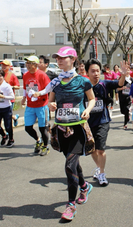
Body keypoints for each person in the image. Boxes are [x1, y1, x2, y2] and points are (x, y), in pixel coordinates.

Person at [47, 46, 96, 221]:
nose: (60, 60)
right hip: (61, 129)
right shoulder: (55, 82)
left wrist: (88, 110)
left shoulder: (82, 81)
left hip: (77, 129)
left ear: (73, 59)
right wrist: (50, 105)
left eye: (63, 58)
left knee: (69, 166)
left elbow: (91, 98)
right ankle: (84, 186)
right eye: (57, 58)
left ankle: (70, 205)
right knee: (72, 162)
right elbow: (50, 101)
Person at [84, 59, 128, 186]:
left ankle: (102, 174)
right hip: (87, 122)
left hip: (103, 121)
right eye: (93, 71)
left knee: (101, 149)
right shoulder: (82, 86)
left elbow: (119, 83)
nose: (96, 73)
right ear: (87, 72)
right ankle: (99, 167)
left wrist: (123, 74)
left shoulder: (104, 84)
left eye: (98, 71)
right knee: (92, 149)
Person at [21, 56, 51, 156]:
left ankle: (45, 146)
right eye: (27, 63)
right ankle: (38, 140)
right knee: (28, 128)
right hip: (30, 105)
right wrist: (24, 98)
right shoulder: (25, 75)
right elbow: (25, 88)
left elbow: (48, 88)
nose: (27, 65)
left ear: (35, 64)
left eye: (30, 63)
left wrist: (40, 94)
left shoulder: (42, 75)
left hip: (41, 105)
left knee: (43, 128)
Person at [0, 70, 15, 147]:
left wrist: (3, 96)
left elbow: (12, 97)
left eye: (0, 76)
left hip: (6, 108)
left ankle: (11, 139)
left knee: (8, 126)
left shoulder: (7, 86)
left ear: (3, 77)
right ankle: (4, 136)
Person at [0, 60, 20, 127]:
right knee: (4, 114)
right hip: (0, 99)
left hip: (10, 99)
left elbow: (18, 86)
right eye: (2, 65)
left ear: (9, 66)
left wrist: (12, 87)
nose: (3, 67)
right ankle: (15, 117)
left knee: (7, 115)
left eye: (5, 65)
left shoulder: (12, 75)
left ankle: (8, 131)